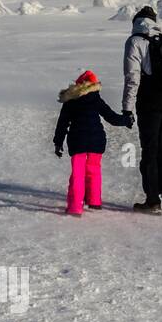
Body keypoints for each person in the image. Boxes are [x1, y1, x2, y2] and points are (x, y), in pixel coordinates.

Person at [122, 6, 162, 213]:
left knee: (150, 149)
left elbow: (132, 78)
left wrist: (127, 108)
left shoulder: (135, 42)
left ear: (136, 23)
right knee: (161, 145)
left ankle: (152, 200)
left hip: (152, 103)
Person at [53, 70, 133, 216]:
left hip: (78, 141)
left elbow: (62, 124)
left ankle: (75, 207)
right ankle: (95, 201)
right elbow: (112, 117)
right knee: (94, 171)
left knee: (78, 174)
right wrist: (127, 120)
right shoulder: (96, 99)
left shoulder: (71, 100)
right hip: (97, 140)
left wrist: (58, 143)